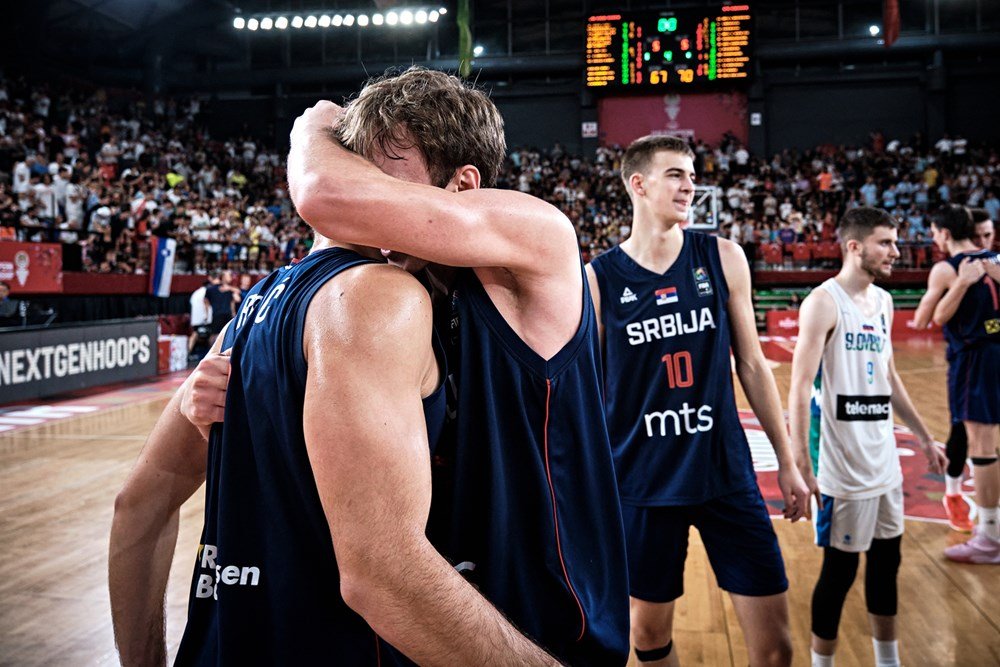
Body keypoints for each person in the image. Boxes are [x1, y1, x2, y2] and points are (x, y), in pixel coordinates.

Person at [261, 66, 629, 664]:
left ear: (464, 184)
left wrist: (314, 129)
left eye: (383, 177)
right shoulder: (392, 290)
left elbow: (324, 195)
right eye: (359, 172)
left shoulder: (536, 238)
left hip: (552, 625)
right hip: (437, 622)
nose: (369, 201)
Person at [110, 231, 558, 662]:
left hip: (222, 640)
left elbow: (136, 506)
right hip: (333, 641)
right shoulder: (380, 296)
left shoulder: (244, 319)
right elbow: (383, 574)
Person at [586, 135, 810, 667]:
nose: (690, 185)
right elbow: (588, 392)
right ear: (638, 184)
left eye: (692, 175)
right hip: (643, 481)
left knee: (776, 649)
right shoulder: (597, 279)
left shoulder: (723, 257)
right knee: (647, 635)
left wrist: (788, 462)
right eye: (675, 175)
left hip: (724, 472)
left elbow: (752, 364)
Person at [788, 207, 947, 667]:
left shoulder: (883, 301)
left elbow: (890, 377)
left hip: (884, 461)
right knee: (839, 573)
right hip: (842, 466)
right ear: (854, 246)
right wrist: (801, 464)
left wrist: (923, 436)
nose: (896, 251)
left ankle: (887, 661)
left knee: (886, 565)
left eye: (895, 242)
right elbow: (799, 387)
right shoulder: (823, 302)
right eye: (886, 243)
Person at [920, 205, 1000, 563]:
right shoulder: (995, 260)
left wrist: (963, 283)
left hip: (975, 358)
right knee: (984, 443)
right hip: (993, 353)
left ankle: (990, 537)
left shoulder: (948, 268)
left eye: (934, 232)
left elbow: (933, 318)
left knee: (981, 447)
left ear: (945, 233)